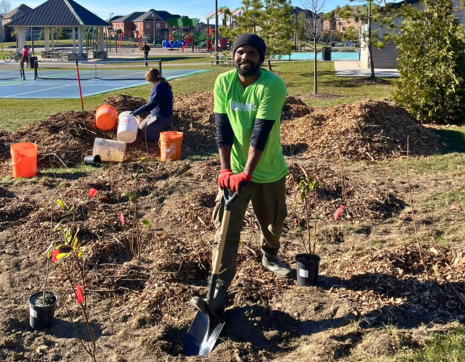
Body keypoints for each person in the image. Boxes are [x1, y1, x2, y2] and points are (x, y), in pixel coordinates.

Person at [190, 33, 290, 317]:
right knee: (225, 231)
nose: (245, 57)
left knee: (272, 224)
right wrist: (226, 170)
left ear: (261, 58)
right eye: (240, 52)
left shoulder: (273, 85)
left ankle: (269, 256)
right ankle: (218, 290)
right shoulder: (224, 82)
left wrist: (248, 173)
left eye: (252, 54)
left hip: (267, 170)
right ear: (233, 55)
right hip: (234, 171)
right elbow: (222, 128)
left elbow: (261, 131)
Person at [132, 68, 173, 142]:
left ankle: (167, 132)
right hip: (154, 115)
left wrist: (140, 110)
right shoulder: (161, 84)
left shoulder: (159, 86)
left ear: (150, 79)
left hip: (161, 117)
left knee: (145, 137)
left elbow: (153, 103)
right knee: (140, 129)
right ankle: (162, 128)